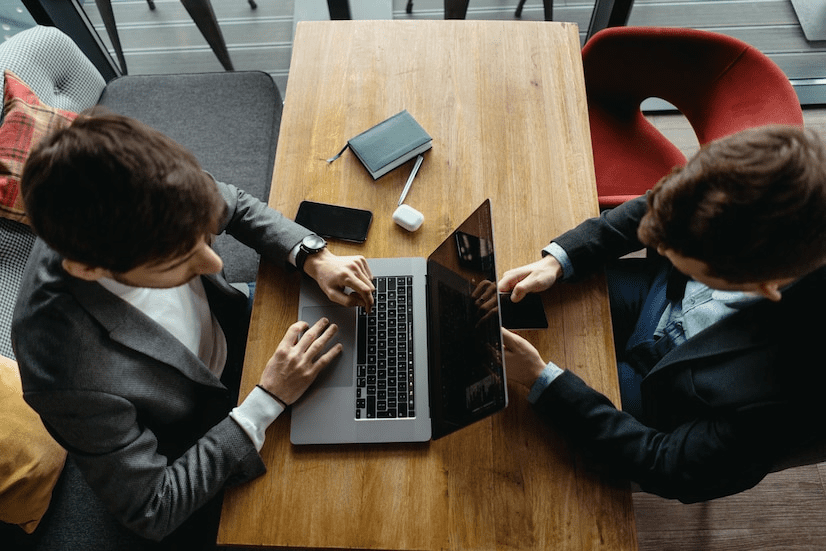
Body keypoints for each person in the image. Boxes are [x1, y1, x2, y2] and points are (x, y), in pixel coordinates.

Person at [11, 111, 375, 547]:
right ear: (88, 268)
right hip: (211, 429)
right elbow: (152, 508)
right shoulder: (64, 374)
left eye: (204, 236)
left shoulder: (151, 182)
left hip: (244, 331)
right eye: (178, 261)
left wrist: (314, 258)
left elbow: (233, 203)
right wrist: (269, 398)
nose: (215, 265)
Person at [497, 124, 826, 503]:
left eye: (685, 261)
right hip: (658, 299)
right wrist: (561, 259)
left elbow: (667, 467)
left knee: (513, 424)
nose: (658, 246)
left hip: (672, 398)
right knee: (503, 307)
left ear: (766, 285)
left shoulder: (786, 399)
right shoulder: (786, 183)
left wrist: (545, 381)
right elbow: (664, 206)